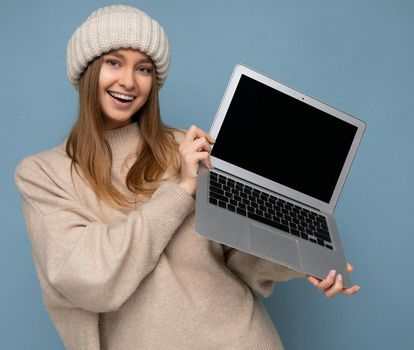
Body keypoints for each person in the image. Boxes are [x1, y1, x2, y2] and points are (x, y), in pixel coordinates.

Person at [14, 5, 360, 350]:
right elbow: (92, 279)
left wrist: (303, 261)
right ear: (87, 69)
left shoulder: (188, 149)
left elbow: (239, 257)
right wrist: (181, 190)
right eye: (114, 62)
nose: (128, 81)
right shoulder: (43, 174)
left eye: (144, 68)